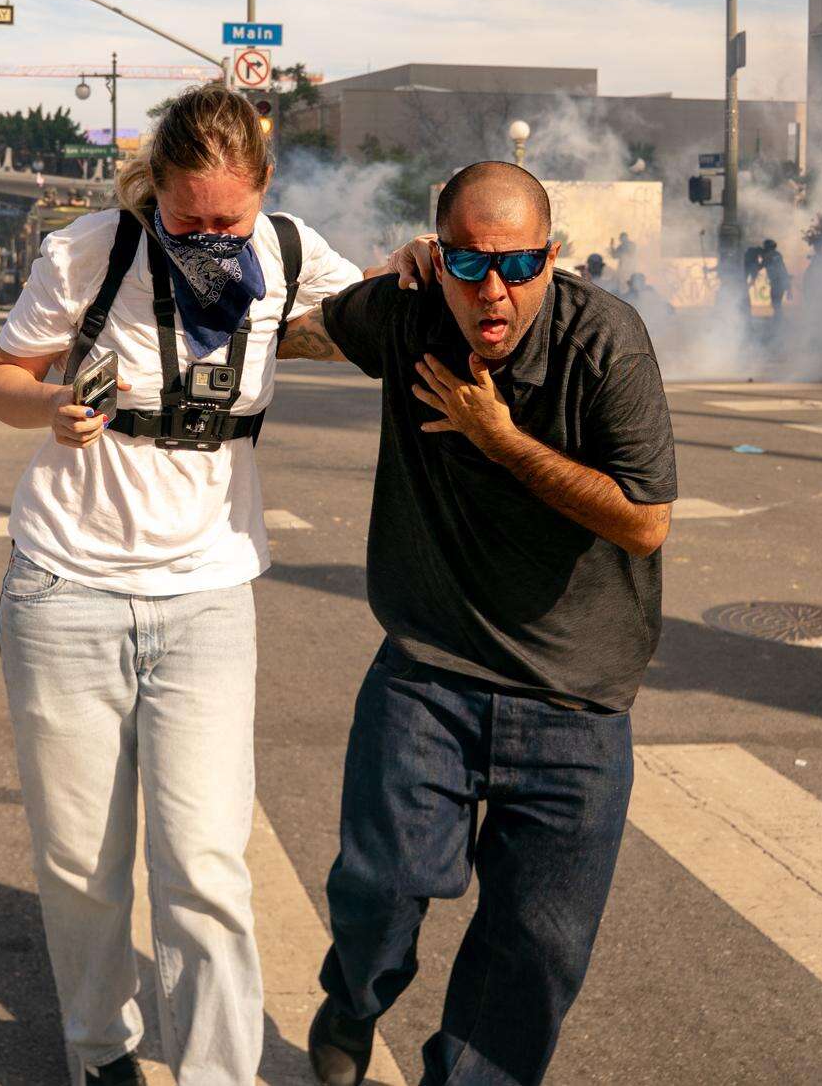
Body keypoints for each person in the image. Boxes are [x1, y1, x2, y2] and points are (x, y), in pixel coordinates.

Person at [0, 85, 391, 1085]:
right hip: (65, 589)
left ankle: (218, 1071)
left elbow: (373, 321)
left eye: (227, 220)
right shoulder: (90, 249)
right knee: (84, 862)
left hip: (207, 594)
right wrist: (49, 407)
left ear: (264, 190)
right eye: (187, 217)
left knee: (205, 862)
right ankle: (102, 1050)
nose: (209, 235)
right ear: (154, 187)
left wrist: (413, 273)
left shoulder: (290, 252)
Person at [280, 161, 678, 1086]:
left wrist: (499, 440)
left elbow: (645, 520)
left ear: (552, 256)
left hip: (576, 698)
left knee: (535, 952)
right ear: (438, 254)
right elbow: (300, 336)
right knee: (379, 891)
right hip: (429, 671)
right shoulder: (409, 311)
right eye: (467, 263)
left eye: (517, 263)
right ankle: (353, 998)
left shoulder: (607, 342)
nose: (492, 290)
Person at [758, 236, 792, 326]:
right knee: (776, 304)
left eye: (765, 246)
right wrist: (788, 287)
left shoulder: (769, 255)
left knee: (776, 304)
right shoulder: (777, 254)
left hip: (777, 282)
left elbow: (760, 266)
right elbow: (783, 269)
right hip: (780, 282)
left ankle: (780, 322)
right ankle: (779, 321)